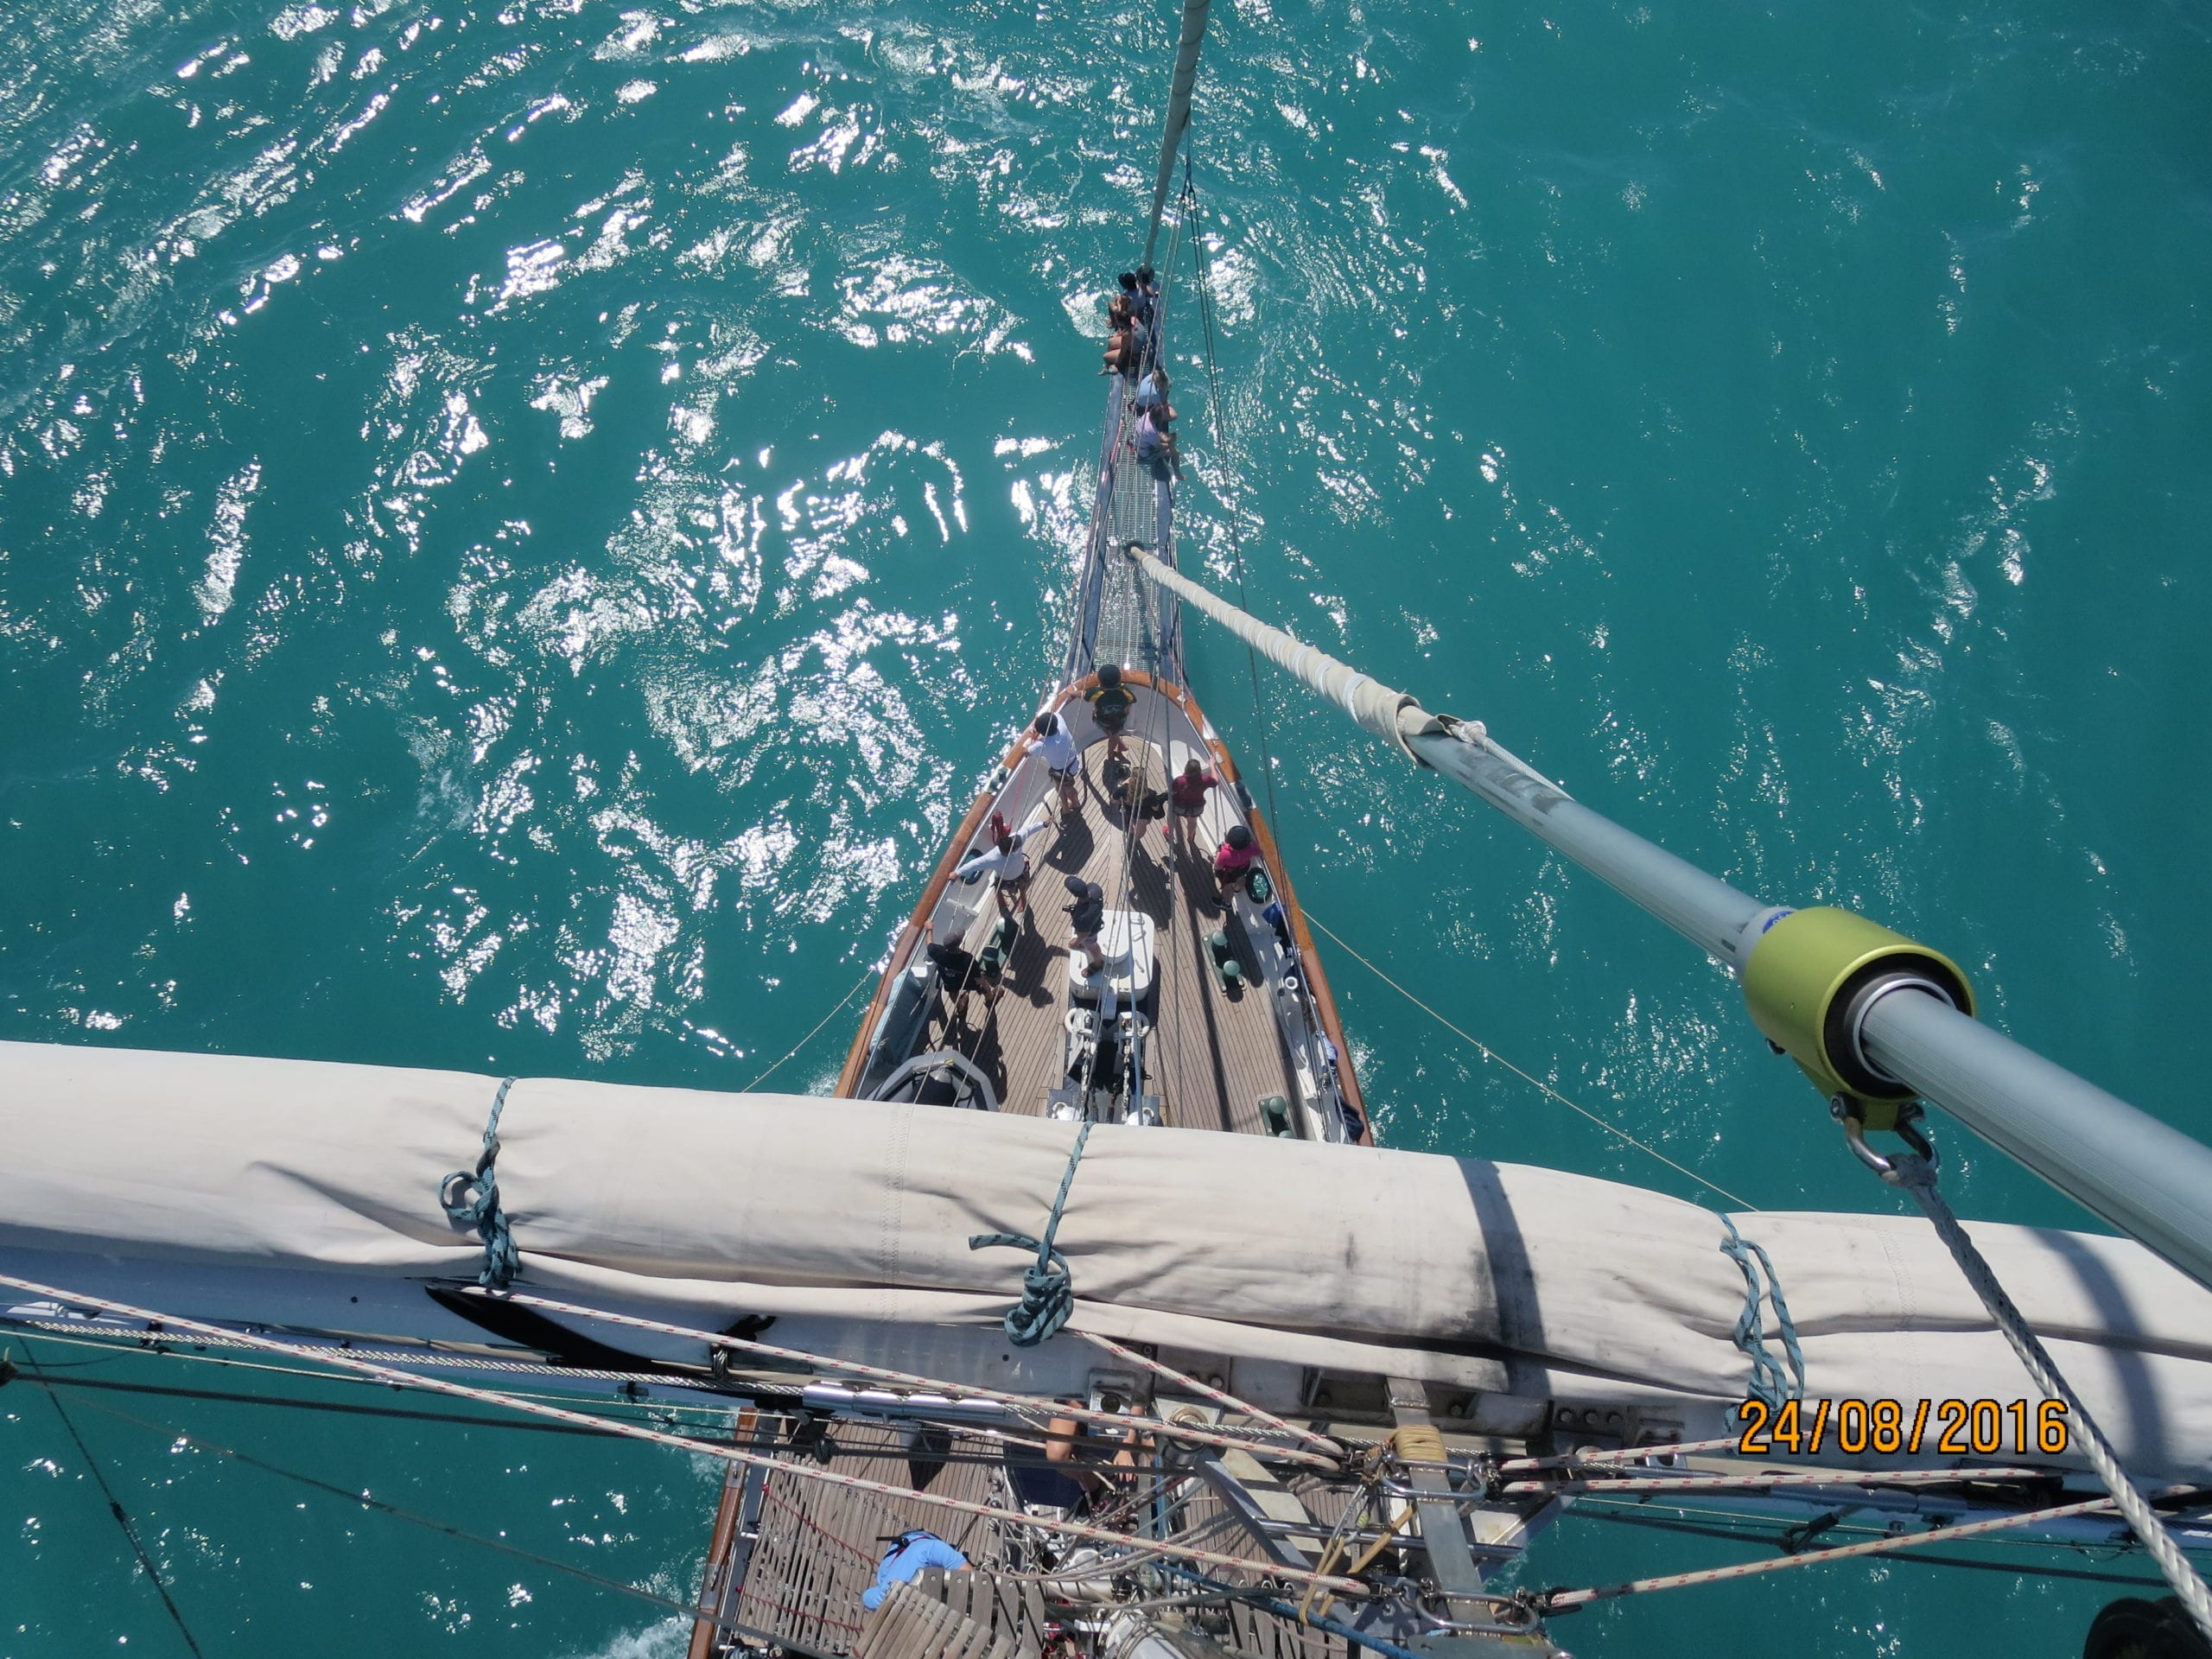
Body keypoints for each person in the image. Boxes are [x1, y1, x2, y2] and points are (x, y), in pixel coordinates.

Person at [955, 810, 1044, 914]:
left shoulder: (1012, 843)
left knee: (1003, 888)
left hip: (1013, 875)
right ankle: (1018, 902)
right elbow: (974, 864)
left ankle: (1017, 902)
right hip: (1017, 873)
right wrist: (958, 873)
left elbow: (1029, 829)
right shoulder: (997, 854)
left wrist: (1043, 824)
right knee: (1016, 888)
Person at [862, 1530, 969, 1611]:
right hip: (912, 1547)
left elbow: (869, 1598)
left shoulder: (932, 1549)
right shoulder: (931, 1550)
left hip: (913, 1545)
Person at [925, 923, 998, 1021]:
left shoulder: (936, 951)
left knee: (953, 993)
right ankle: (990, 999)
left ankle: (961, 1008)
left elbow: (929, 943)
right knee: (983, 985)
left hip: (949, 982)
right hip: (967, 982)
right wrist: (984, 985)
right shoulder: (968, 959)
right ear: (958, 945)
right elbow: (978, 977)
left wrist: (929, 929)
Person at [1032, 710, 1081, 816]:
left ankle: (1070, 806)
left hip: (1062, 773)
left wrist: (1035, 733)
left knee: (1063, 788)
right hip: (1073, 765)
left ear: (1042, 732)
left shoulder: (1042, 744)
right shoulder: (1062, 727)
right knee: (1065, 787)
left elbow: (1026, 751)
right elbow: (1055, 715)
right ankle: (1071, 804)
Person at [1084, 663, 1135, 758]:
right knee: (1114, 733)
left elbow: (1084, 696)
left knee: (1112, 736)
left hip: (1103, 721)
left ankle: (1111, 755)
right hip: (1119, 720)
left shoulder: (1096, 693)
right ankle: (1120, 746)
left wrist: (1072, 692)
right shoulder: (1125, 692)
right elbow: (1131, 702)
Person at [1168, 757, 1217, 843]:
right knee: (1193, 821)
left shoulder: (1180, 780)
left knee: (1172, 816)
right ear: (1199, 770)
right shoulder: (1205, 780)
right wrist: (1212, 765)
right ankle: (1190, 836)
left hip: (1179, 806)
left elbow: (1172, 791)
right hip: (1196, 807)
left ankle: (1170, 833)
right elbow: (1215, 782)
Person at [1064, 875, 1106, 976]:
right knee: (1085, 941)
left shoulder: (1083, 918)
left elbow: (1085, 934)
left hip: (1090, 931)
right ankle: (1081, 943)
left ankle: (1098, 964)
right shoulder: (1095, 889)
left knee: (1092, 946)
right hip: (1095, 919)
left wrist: (1077, 942)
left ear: (1074, 894)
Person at [1212, 822, 1260, 906]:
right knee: (1241, 879)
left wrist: (1219, 852)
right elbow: (1260, 852)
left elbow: (1217, 866)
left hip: (1230, 872)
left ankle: (1227, 903)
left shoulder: (1225, 853)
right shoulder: (1252, 848)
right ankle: (1237, 889)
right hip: (1243, 868)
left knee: (1227, 888)